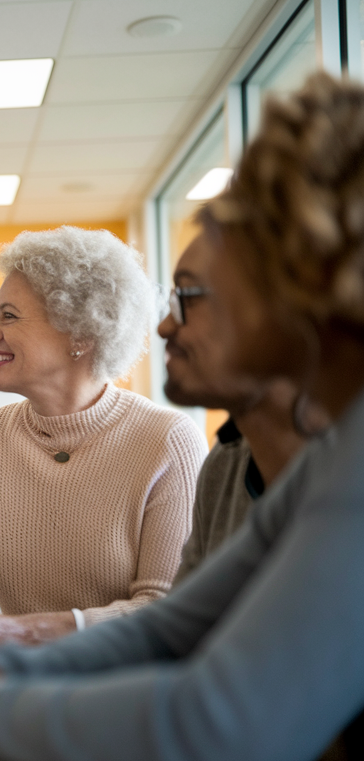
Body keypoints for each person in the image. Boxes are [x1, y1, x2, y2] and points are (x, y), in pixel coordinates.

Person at [0, 72, 364, 761]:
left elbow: (215, 723)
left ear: (305, 283)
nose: (164, 321)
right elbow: (172, 628)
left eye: (192, 296)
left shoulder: (324, 463)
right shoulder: (309, 462)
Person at [0, 226, 208, 651]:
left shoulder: (168, 440)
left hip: (126, 691)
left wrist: (27, 632)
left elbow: (163, 609)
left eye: (9, 315)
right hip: (24, 686)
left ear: (79, 333)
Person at [158, 234, 311, 583]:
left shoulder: (344, 469)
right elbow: (180, 625)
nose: (164, 326)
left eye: (186, 297)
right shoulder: (224, 463)